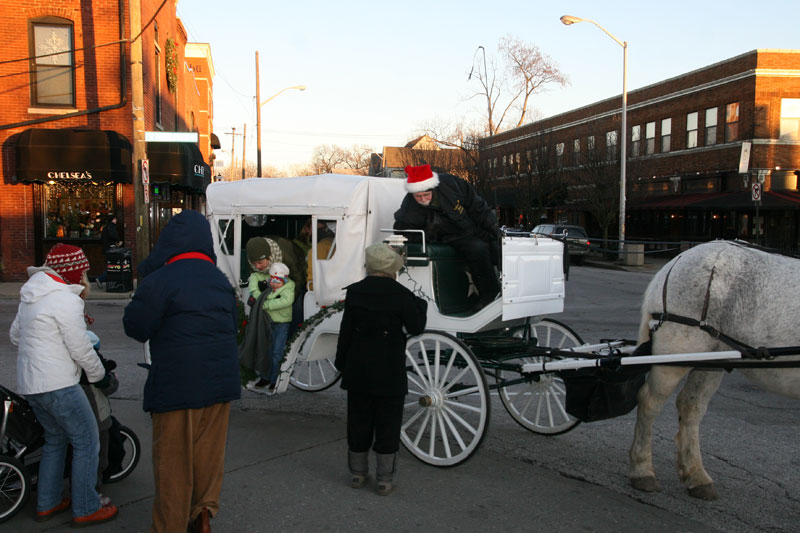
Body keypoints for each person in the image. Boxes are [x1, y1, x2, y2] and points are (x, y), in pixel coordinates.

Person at [122, 210, 240, 533]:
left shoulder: (161, 279)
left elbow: (135, 325)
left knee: (173, 465)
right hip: (220, 386)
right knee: (207, 459)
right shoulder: (219, 281)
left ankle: (170, 526)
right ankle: (202, 516)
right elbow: (232, 327)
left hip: (177, 386)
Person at [10, 243, 118, 527]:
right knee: (87, 441)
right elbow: (81, 349)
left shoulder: (31, 296)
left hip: (31, 384)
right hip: (59, 384)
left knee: (55, 441)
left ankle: (48, 502)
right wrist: (100, 376)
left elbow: (15, 337)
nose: (85, 276)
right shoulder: (65, 299)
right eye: (82, 270)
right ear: (71, 271)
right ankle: (85, 507)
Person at [334, 243, 428, 496]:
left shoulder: (355, 293)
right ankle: (384, 478)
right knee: (388, 423)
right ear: (392, 270)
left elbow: (346, 333)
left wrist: (341, 363)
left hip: (358, 369)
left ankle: (357, 472)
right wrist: (421, 304)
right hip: (388, 370)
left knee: (358, 420)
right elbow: (416, 326)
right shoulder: (400, 295)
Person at [393, 164, 502, 308]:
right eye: (418, 196)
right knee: (477, 249)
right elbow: (402, 229)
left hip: (469, 227)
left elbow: (477, 206)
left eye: (426, 194)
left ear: (433, 188)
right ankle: (489, 295)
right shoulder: (410, 205)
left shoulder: (453, 184)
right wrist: (432, 235)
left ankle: (506, 289)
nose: (423, 199)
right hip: (447, 236)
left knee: (497, 245)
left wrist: (493, 227)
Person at [261, 262, 295, 394]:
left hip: (282, 323)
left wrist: (267, 304)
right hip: (269, 321)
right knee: (267, 350)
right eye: (272, 280)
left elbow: (286, 301)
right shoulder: (269, 288)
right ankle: (265, 377)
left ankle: (275, 379)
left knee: (277, 352)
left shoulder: (288, 289)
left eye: (277, 281)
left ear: (284, 281)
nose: (273, 283)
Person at [95, 214, 122, 290]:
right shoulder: (111, 227)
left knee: (111, 265)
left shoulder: (105, 227)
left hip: (106, 249)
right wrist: (118, 240)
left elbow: (102, 239)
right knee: (113, 266)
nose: (116, 220)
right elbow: (113, 235)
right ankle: (101, 279)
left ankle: (106, 280)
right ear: (112, 220)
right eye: (115, 219)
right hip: (111, 249)